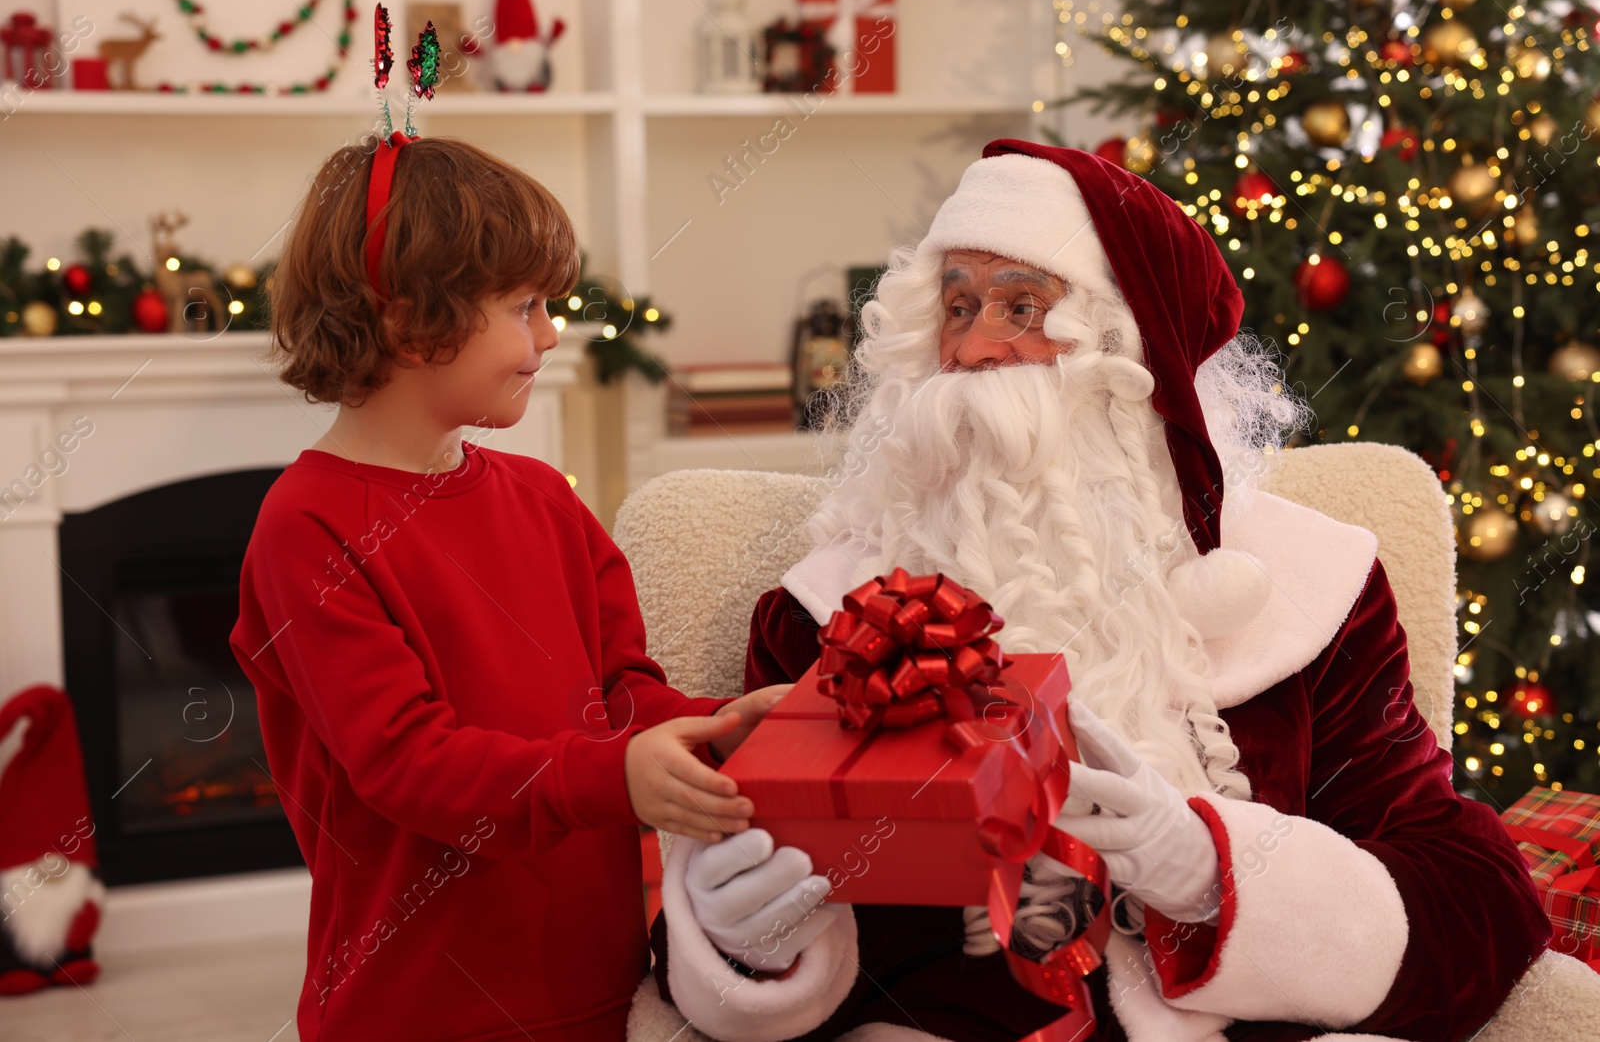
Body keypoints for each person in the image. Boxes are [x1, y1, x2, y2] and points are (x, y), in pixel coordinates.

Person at [645, 139, 1552, 1041]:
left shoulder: (1314, 587)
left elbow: (1471, 899)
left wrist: (1213, 870)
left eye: (1020, 306)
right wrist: (749, 950)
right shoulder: (832, 613)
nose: (971, 350)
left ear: (1129, 353)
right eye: (958, 307)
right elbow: (765, 886)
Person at [229, 135, 787, 1042]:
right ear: (413, 322)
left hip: (603, 990)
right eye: (525, 305)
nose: (551, 333)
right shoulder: (307, 528)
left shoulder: (541, 499)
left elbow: (623, 696)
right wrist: (614, 774)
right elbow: (409, 763)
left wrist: (724, 728)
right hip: (415, 1010)